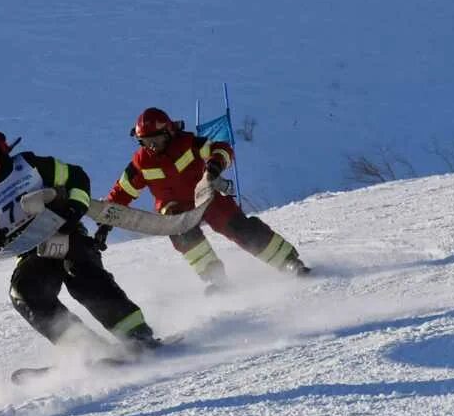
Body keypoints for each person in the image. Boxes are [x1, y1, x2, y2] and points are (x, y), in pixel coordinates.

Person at [0, 120, 161, 352]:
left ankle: (138, 336)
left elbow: (76, 177)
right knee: (25, 294)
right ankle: (89, 352)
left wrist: (75, 208)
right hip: (33, 252)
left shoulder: (31, 165)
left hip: (66, 234)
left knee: (82, 275)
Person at [97, 107, 309, 294]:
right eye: (145, 141)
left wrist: (215, 165)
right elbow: (121, 192)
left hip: (205, 196)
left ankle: (289, 262)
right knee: (184, 236)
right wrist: (106, 222)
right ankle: (217, 280)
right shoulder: (140, 163)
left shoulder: (189, 143)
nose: (151, 146)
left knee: (238, 227)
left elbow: (222, 149)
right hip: (174, 209)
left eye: (156, 140)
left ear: (168, 132)